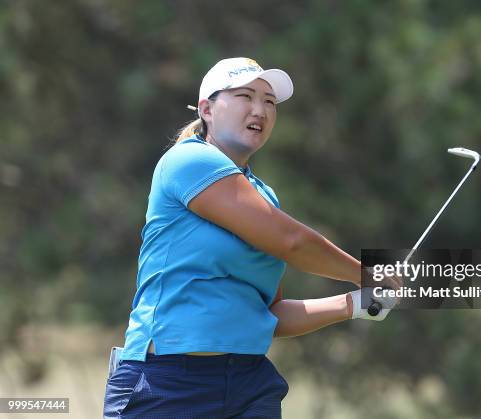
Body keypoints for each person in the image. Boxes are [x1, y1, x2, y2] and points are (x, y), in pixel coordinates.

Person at [103, 57, 399, 419]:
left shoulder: (264, 195)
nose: (260, 110)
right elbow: (292, 241)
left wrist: (355, 303)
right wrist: (365, 272)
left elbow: (267, 314)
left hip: (249, 384)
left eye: (270, 102)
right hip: (168, 383)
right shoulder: (188, 161)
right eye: (245, 96)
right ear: (207, 109)